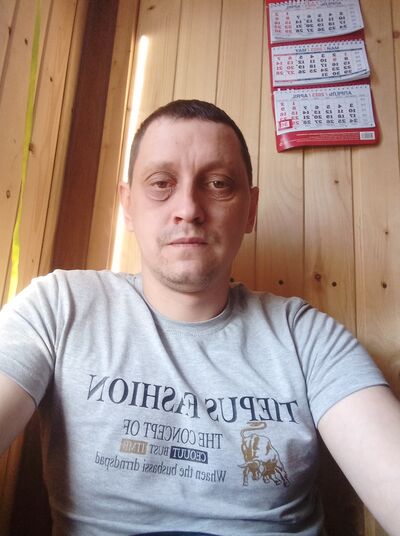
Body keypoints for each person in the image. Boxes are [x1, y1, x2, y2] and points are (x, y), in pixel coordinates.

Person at [0, 99, 399, 536]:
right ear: (127, 206)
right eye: (161, 183)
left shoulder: (307, 338)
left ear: (250, 210)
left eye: (218, 183)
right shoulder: (59, 307)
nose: (188, 208)